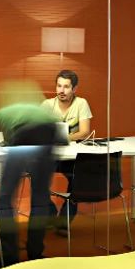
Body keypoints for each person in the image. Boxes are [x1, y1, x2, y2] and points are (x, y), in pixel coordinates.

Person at [0, 99, 63, 268]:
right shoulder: (25, 110)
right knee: (40, 199)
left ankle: (9, 258)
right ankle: (35, 254)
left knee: (5, 200)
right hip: (50, 132)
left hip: (25, 135)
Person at [41, 69, 93, 231]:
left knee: (76, 181)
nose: (61, 90)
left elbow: (84, 132)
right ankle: (50, 213)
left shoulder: (81, 103)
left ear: (74, 89)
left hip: (71, 157)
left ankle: (64, 220)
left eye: (66, 87)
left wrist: (61, 138)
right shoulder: (47, 105)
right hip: (51, 155)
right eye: (59, 86)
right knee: (38, 178)